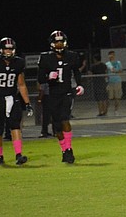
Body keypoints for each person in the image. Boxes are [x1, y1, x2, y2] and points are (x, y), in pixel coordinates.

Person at [0, 37, 33, 165]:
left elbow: (21, 85)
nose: (9, 52)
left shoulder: (18, 63)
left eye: (11, 49)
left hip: (12, 98)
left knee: (15, 126)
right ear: (1, 50)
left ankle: (18, 155)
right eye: (6, 49)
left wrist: (27, 103)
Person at [37, 30, 85, 163]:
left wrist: (80, 84)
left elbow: (76, 72)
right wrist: (48, 77)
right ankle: (64, 149)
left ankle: (69, 149)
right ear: (52, 43)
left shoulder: (72, 56)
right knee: (57, 126)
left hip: (66, 92)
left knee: (65, 119)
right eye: (56, 42)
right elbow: (40, 78)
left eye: (61, 41)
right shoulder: (45, 57)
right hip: (52, 94)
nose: (59, 44)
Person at [105, 50, 123, 115]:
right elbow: (106, 72)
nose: (112, 56)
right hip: (110, 82)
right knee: (109, 97)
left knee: (117, 97)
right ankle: (106, 111)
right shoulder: (107, 64)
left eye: (113, 54)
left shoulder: (118, 62)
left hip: (117, 81)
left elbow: (121, 70)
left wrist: (116, 71)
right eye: (110, 55)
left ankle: (116, 110)